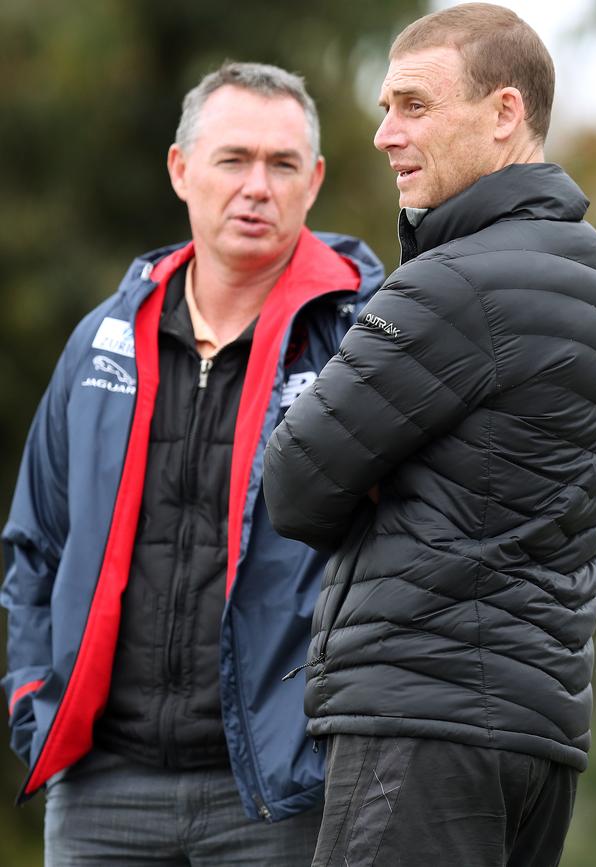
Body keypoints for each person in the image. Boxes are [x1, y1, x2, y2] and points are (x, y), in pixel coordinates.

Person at [263, 5, 596, 865]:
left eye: (413, 106)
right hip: (540, 737)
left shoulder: (450, 283)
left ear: (505, 112)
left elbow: (292, 481)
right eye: (383, 107)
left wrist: (374, 471)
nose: (384, 134)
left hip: (421, 726)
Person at [1, 61, 383, 865]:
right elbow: (35, 543)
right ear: (181, 169)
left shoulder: (363, 343)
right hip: (100, 788)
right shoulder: (103, 340)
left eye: (282, 165)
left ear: (313, 182)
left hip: (276, 796)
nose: (257, 186)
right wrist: (34, 699)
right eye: (233, 159)